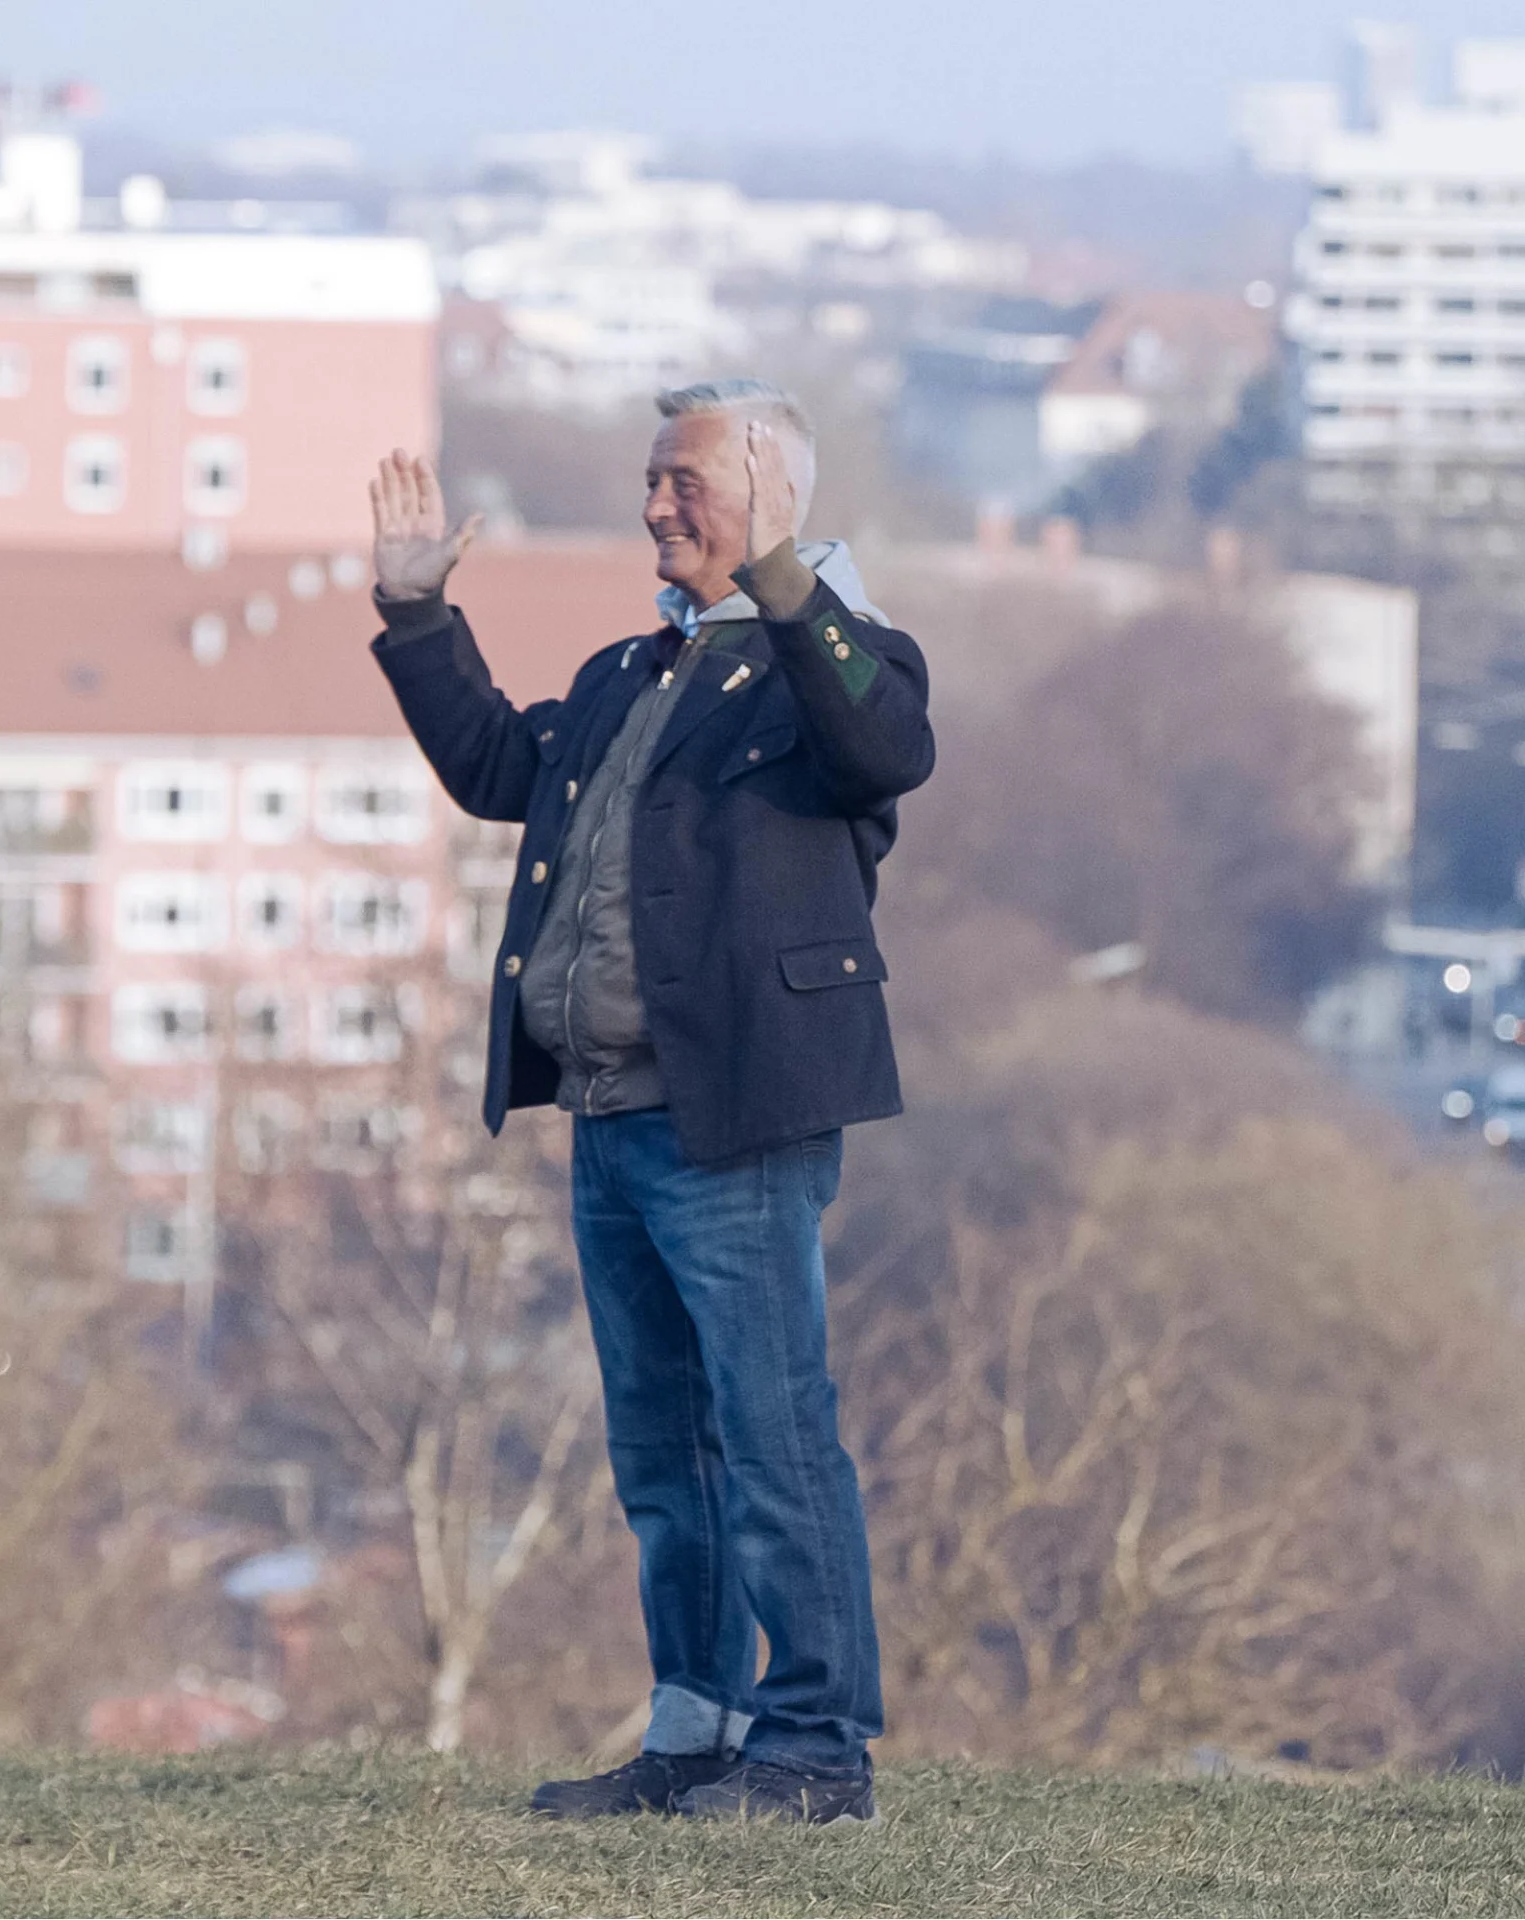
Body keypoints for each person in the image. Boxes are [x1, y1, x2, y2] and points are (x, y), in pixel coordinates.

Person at [361, 378, 932, 1825]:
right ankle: (694, 1733)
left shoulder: (831, 662)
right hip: (612, 1119)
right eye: (653, 481)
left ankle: (813, 1754)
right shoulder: (636, 670)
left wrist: (787, 578)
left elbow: (885, 753)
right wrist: (422, 616)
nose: (654, 507)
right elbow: (503, 768)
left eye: (687, 483)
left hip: (731, 1124)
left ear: (776, 498)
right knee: (662, 1455)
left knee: (773, 1431)